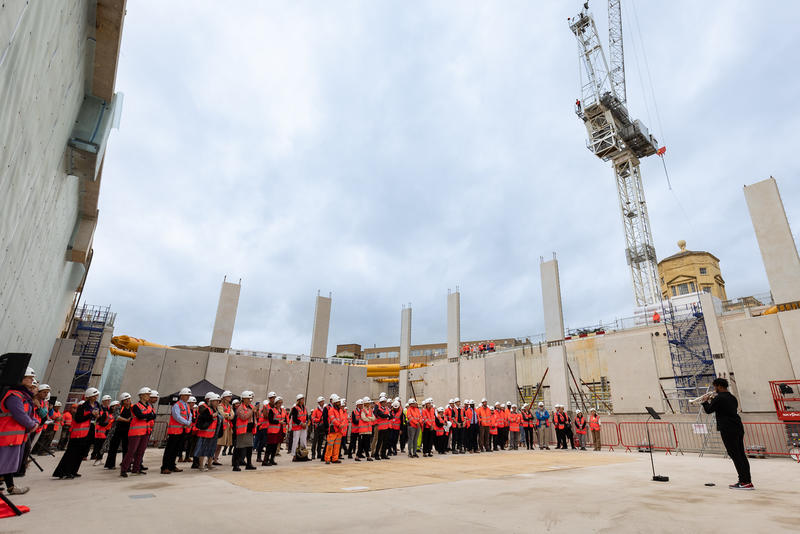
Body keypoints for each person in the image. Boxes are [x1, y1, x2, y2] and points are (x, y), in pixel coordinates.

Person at [701, 378, 753, 490]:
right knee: (741, 455)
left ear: (719, 386)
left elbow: (709, 410)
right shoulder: (732, 397)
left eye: (715, 387)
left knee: (735, 455)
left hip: (728, 428)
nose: (714, 389)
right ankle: (747, 481)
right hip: (737, 427)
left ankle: (744, 482)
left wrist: (705, 401)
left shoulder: (719, 398)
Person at [0, 366, 38, 495]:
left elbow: (28, 414)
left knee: (7, 463)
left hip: (15, 436)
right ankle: (10, 487)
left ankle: (11, 487)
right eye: (29, 377)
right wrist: (32, 425)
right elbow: (20, 415)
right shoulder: (13, 396)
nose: (32, 380)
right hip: (7, 436)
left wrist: (34, 421)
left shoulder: (23, 396)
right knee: (4, 463)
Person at [53, 387, 100, 479]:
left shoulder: (97, 405)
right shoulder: (82, 407)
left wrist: (98, 416)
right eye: (94, 396)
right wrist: (91, 415)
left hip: (88, 432)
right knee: (72, 453)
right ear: (89, 397)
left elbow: (98, 415)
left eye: (96, 395)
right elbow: (78, 419)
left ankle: (74, 471)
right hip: (78, 433)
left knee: (80, 453)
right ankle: (64, 472)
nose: (96, 397)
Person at [120, 387, 156, 477]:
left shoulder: (149, 406)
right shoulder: (136, 406)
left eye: (149, 395)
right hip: (136, 432)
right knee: (131, 451)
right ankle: (124, 469)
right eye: (147, 395)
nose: (148, 396)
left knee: (141, 451)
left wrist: (146, 416)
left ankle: (136, 469)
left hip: (145, 431)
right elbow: (139, 416)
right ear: (141, 396)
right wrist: (148, 416)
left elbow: (153, 416)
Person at [161, 387, 192, 474]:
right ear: (181, 396)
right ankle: (165, 467)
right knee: (170, 449)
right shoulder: (177, 405)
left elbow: (190, 414)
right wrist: (187, 422)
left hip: (181, 431)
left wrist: (188, 422)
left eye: (188, 395)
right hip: (174, 430)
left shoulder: (187, 405)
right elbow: (177, 416)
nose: (188, 397)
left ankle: (172, 465)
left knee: (176, 449)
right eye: (186, 395)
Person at [193, 393, 222, 472]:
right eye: (215, 401)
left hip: (214, 433)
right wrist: (212, 416)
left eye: (218, 401)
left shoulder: (217, 410)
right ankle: (201, 466)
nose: (217, 402)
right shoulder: (207, 409)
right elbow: (202, 419)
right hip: (205, 433)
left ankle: (209, 464)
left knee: (211, 449)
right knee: (203, 449)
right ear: (211, 401)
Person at [105, 392, 132, 469]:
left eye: (129, 399)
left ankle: (125, 464)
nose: (128, 401)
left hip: (127, 430)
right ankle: (110, 464)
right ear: (122, 401)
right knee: (113, 447)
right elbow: (116, 416)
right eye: (125, 400)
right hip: (117, 430)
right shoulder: (118, 407)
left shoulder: (132, 407)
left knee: (126, 448)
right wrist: (126, 420)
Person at [232, 391, 256, 471]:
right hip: (242, 430)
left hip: (249, 430)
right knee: (239, 448)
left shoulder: (250, 407)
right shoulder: (240, 408)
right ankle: (236, 465)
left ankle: (249, 464)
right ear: (244, 399)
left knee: (249, 447)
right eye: (248, 398)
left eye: (250, 398)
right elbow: (243, 417)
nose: (250, 400)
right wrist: (252, 411)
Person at [262, 395, 284, 466]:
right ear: (276, 403)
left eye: (281, 403)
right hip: (272, 430)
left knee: (275, 446)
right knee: (269, 446)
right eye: (279, 403)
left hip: (278, 430)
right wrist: (278, 422)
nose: (280, 404)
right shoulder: (272, 410)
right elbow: (270, 420)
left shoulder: (281, 410)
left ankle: (272, 459)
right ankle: (265, 460)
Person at [91, 395, 113, 464]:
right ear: (103, 401)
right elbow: (97, 419)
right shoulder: (99, 409)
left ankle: (99, 458)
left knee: (102, 445)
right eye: (107, 400)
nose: (108, 402)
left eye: (109, 400)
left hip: (106, 430)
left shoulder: (109, 410)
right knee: (98, 445)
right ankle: (96, 457)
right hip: (99, 429)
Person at [214, 391, 234, 464]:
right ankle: (210, 458)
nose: (230, 398)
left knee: (220, 445)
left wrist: (228, 415)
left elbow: (232, 415)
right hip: (221, 427)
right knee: (217, 444)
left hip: (227, 427)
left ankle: (215, 459)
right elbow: (222, 414)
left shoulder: (229, 406)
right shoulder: (220, 405)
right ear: (224, 397)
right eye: (228, 396)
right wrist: (228, 415)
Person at [323, 395, 343, 464]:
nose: (339, 403)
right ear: (334, 403)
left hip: (339, 430)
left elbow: (342, 419)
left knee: (337, 446)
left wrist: (341, 425)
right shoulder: (331, 410)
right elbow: (333, 419)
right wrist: (339, 425)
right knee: (330, 445)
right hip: (333, 430)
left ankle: (335, 458)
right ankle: (327, 459)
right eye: (338, 402)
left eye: (339, 402)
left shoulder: (340, 410)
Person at [289, 393, 308, 461]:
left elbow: (306, 416)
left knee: (303, 441)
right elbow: (294, 418)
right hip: (297, 427)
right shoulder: (295, 408)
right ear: (299, 400)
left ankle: (304, 455)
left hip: (303, 427)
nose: (303, 400)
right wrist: (301, 423)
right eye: (302, 399)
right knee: (295, 441)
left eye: (303, 399)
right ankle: (294, 455)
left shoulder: (304, 407)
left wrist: (305, 423)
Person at [310, 396, 325, 460]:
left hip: (322, 427)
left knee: (320, 441)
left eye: (323, 401)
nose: (323, 402)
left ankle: (319, 454)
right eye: (322, 401)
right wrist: (319, 419)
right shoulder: (315, 410)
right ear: (319, 403)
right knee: (315, 441)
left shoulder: (324, 410)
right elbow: (313, 419)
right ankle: (313, 454)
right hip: (317, 427)